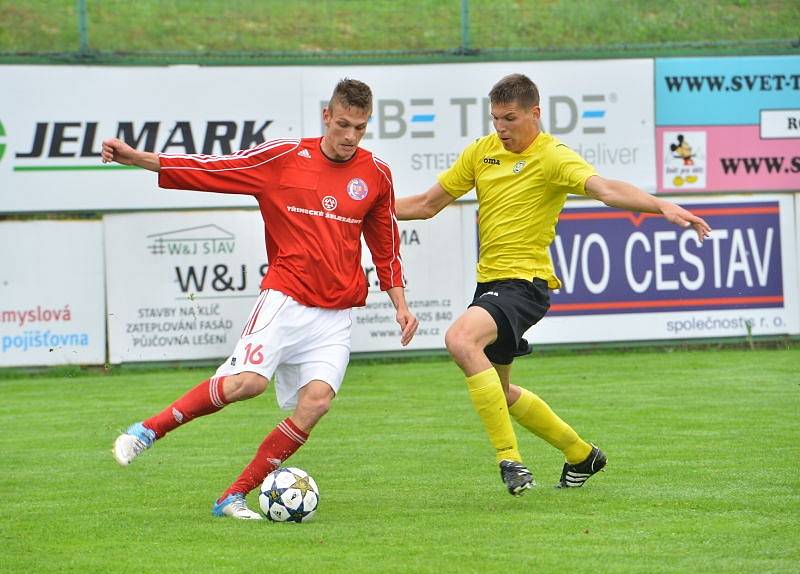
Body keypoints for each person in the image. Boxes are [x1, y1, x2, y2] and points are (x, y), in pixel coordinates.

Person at [105, 78, 419, 519]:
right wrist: (140, 160)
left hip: (336, 316)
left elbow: (385, 243)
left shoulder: (376, 174)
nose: (350, 137)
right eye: (343, 124)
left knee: (317, 402)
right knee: (246, 384)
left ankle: (231, 497)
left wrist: (400, 304)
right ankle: (147, 431)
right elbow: (212, 169)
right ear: (326, 116)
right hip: (286, 298)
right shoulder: (283, 158)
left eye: (360, 128)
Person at [395, 73, 711, 496]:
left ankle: (510, 460)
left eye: (509, 118)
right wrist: (360, 209)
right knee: (501, 392)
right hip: (490, 287)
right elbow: (426, 204)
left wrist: (661, 206)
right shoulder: (481, 153)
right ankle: (582, 454)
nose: (501, 128)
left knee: (459, 340)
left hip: (524, 286)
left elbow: (606, 190)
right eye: (495, 119)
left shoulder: (553, 157)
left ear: (534, 113)